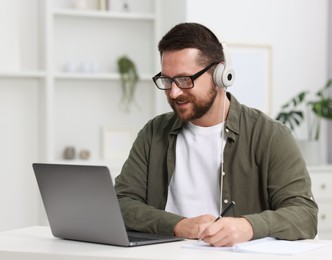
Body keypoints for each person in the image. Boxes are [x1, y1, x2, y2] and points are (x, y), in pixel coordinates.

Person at [115, 22, 318, 247]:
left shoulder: (269, 135)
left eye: (184, 80)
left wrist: (248, 226)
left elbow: (305, 215)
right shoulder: (154, 133)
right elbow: (120, 203)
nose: (174, 92)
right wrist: (179, 225)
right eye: (167, 81)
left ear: (220, 74)